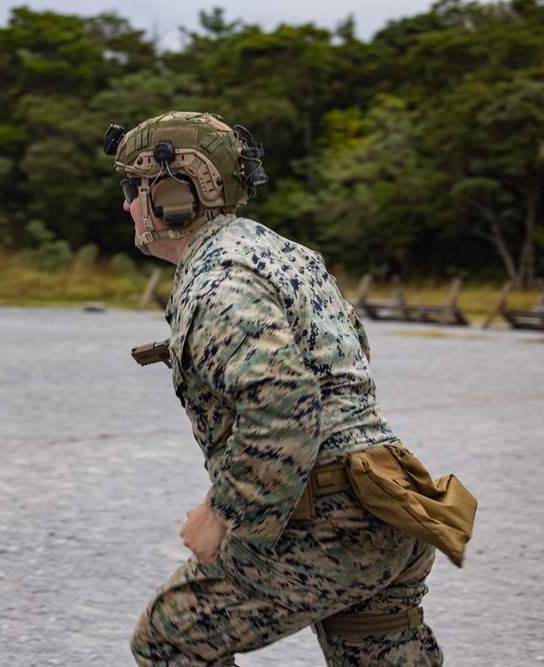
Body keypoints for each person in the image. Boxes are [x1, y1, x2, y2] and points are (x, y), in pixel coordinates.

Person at [103, 111, 465, 666]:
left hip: (327, 520)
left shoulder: (218, 278)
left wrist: (224, 511)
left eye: (133, 188)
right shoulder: (286, 254)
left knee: (170, 639)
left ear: (173, 196)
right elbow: (346, 368)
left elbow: (285, 404)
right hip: (387, 503)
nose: (127, 204)